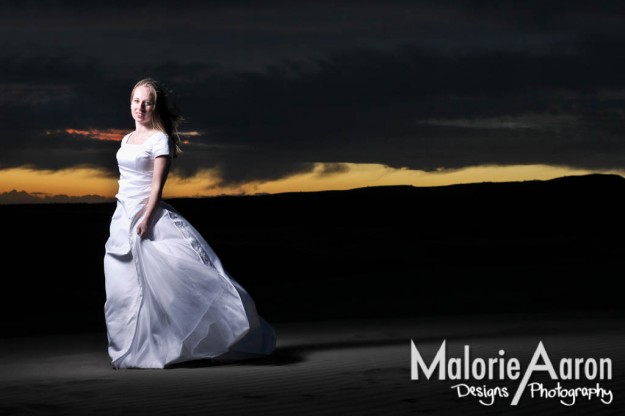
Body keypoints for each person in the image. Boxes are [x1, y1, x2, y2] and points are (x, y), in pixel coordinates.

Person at [103, 78, 277, 369]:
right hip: (121, 217)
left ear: (155, 107)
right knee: (122, 286)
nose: (140, 107)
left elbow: (157, 187)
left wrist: (145, 220)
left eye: (147, 102)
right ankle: (127, 348)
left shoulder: (161, 139)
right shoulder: (126, 139)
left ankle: (172, 344)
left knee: (170, 282)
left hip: (146, 217)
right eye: (136, 101)